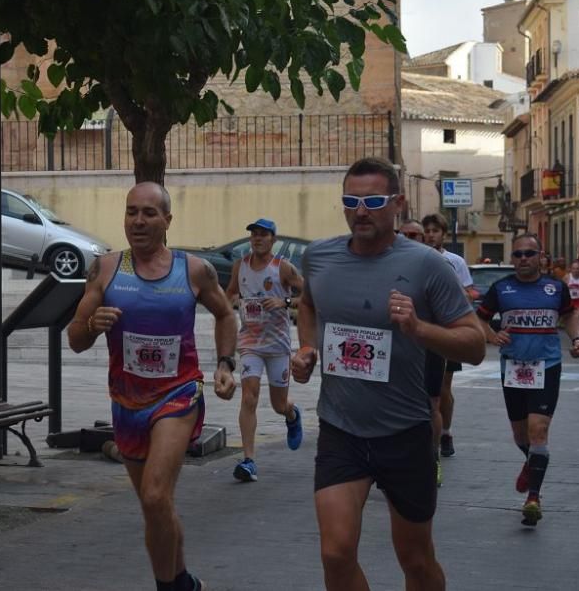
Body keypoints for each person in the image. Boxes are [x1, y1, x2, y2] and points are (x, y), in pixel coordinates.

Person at [291, 157, 485, 591]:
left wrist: (419, 328)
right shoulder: (319, 257)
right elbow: (308, 304)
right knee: (335, 553)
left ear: (396, 202)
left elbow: (474, 345)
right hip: (342, 429)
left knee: (416, 561)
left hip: (406, 431)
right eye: (351, 201)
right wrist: (307, 347)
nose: (361, 210)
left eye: (373, 201)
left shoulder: (426, 265)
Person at [67, 182, 237, 591]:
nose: (138, 221)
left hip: (178, 395)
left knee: (157, 495)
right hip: (127, 403)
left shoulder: (193, 269)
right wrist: (93, 325)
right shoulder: (105, 268)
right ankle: (183, 583)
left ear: (167, 220)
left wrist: (227, 364)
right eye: (131, 212)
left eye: (148, 213)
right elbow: (75, 338)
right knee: (154, 507)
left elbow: (226, 316)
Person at [476, 233, 579, 527]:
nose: (523, 259)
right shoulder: (501, 288)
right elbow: (480, 318)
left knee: (539, 431)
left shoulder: (555, 288)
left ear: (541, 256)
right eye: (518, 255)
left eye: (529, 253)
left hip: (546, 365)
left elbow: (570, 315)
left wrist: (577, 338)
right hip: (513, 367)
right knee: (521, 436)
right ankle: (532, 462)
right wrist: (492, 335)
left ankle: (533, 498)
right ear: (512, 259)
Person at [224, 218, 305, 482]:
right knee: (249, 397)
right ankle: (249, 461)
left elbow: (310, 294)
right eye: (253, 235)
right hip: (250, 343)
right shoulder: (241, 266)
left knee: (278, 404)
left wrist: (285, 301)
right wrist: (231, 303)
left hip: (277, 345)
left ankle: (292, 415)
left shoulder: (283, 268)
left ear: (273, 239)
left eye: (263, 235)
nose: (257, 239)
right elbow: (229, 295)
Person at [422, 213, 473, 458]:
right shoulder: (415, 259)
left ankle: (446, 432)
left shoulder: (455, 262)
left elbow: (468, 293)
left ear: (443, 234)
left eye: (435, 230)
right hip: (422, 331)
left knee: (443, 387)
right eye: (427, 230)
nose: (431, 234)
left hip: (448, 331)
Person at [399, 221, 444, 487]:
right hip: (397, 345)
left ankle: (433, 456)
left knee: (433, 403)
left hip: (430, 344)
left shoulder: (437, 265)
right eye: (404, 235)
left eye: (414, 235)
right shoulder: (386, 263)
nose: (409, 238)